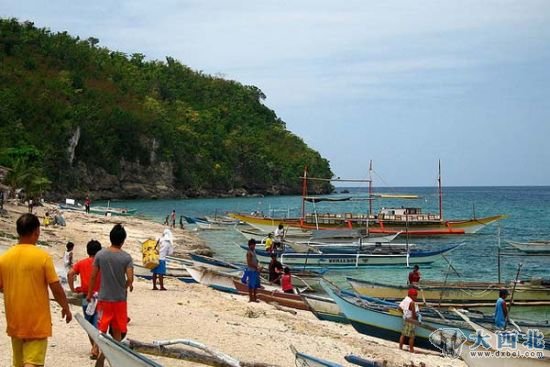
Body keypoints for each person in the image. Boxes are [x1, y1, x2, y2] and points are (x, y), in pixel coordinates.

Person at [0, 213, 72, 367]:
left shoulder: (4, 258)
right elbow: (56, 287)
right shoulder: (42, 257)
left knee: (19, 363)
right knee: (33, 363)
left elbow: (1, 286)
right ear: (37, 232)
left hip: (15, 321)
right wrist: (65, 307)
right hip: (36, 322)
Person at [87, 224, 134, 345]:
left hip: (104, 298)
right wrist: (127, 285)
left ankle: (96, 349)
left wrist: (89, 293)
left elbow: (93, 276)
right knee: (117, 330)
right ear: (123, 240)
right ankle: (115, 352)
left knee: (101, 328)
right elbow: (130, 278)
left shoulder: (100, 255)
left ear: (110, 238)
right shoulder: (126, 257)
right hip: (119, 300)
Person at [68, 239, 102, 359]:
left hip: (85, 297)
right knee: (98, 322)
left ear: (88, 251)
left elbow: (70, 274)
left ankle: (94, 347)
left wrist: (72, 289)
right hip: (100, 297)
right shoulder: (102, 264)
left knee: (88, 323)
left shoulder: (81, 263)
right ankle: (96, 347)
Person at [399, 288, 419, 353]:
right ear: (411, 295)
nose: (416, 297)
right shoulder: (412, 303)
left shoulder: (405, 299)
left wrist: (404, 314)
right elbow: (413, 314)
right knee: (412, 336)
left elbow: (399, 308)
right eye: (415, 296)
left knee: (403, 334)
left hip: (405, 319)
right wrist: (416, 319)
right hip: (411, 320)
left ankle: (400, 347)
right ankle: (411, 349)